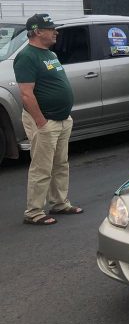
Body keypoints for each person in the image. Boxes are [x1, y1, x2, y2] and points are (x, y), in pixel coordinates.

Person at [13, 14, 82, 225]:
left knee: (60, 164)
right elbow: (26, 94)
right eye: (50, 28)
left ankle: (59, 203)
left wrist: (64, 115)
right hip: (45, 121)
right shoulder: (27, 56)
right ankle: (34, 212)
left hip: (61, 119)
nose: (56, 32)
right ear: (37, 32)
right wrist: (41, 122)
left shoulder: (50, 54)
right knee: (42, 167)